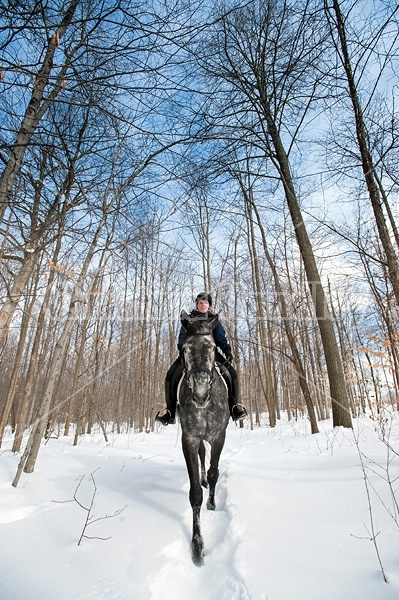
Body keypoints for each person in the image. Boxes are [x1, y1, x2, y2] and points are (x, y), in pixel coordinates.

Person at [155, 292, 247, 426]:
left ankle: (235, 408)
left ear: (209, 305)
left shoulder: (213, 320)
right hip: (190, 354)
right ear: (197, 305)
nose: (203, 305)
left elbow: (221, 337)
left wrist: (227, 350)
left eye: (205, 303)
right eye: (200, 303)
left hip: (210, 354)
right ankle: (170, 412)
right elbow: (182, 336)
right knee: (170, 375)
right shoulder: (189, 319)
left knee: (231, 374)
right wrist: (182, 348)